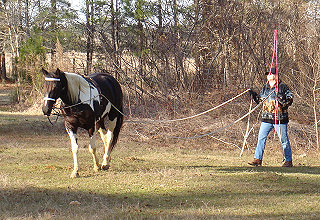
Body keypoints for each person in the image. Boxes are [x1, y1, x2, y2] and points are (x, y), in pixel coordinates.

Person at [248, 67, 293, 167]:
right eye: (267, 74)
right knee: (261, 138)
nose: (268, 76)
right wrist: (254, 96)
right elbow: (261, 101)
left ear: (275, 76)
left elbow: (290, 99)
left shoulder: (283, 87)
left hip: (280, 119)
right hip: (266, 118)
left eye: (270, 74)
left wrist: (282, 101)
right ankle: (257, 159)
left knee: (283, 140)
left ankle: (288, 160)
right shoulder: (265, 87)